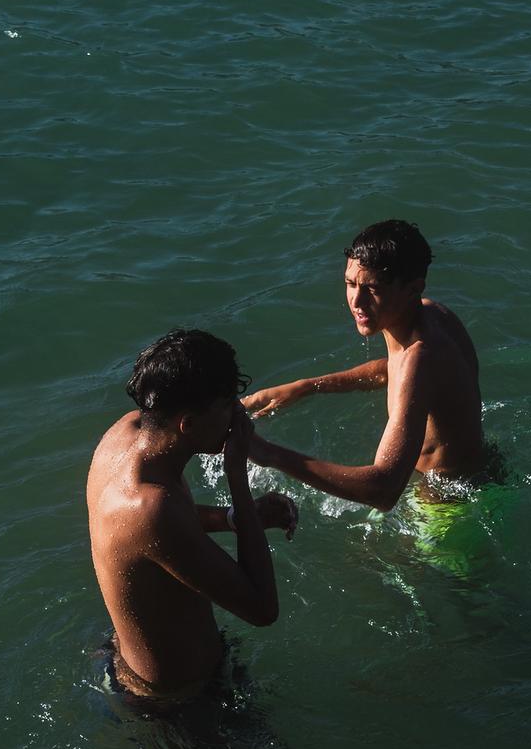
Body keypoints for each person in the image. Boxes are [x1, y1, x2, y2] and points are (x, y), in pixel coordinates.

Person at [87, 329, 298, 703]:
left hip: (126, 660)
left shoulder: (124, 435)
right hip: (180, 704)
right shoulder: (152, 508)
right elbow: (263, 609)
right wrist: (237, 476)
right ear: (187, 424)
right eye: (226, 405)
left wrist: (233, 518)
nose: (238, 414)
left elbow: (155, 532)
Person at [243, 220, 491, 511]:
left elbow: (383, 490)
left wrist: (265, 452)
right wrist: (306, 387)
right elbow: (392, 367)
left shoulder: (420, 358)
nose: (357, 301)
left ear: (413, 288)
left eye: (372, 288)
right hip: (484, 474)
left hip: (449, 510)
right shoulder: (431, 314)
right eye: (350, 283)